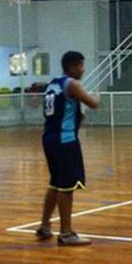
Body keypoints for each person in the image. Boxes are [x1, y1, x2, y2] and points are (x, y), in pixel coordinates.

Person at [36, 51, 99, 246]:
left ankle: (45, 225)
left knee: (55, 183)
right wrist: (96, 98)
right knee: (67, 186)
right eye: (81, 66)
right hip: (65, 139)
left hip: (49, 137)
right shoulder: (73, 84)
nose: (83, 70)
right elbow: (93, 103)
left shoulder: (53, 83)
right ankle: (66, 233)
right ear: (72, 67)